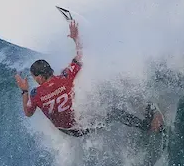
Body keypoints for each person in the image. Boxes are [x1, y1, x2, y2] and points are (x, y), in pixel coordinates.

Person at [14, 19, 164, 136]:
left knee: (98, 108)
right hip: (80, 126)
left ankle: (147, 125)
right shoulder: (65, 77)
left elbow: (28, 113)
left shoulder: (35, 95)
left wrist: (24, 91)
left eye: (34, 77)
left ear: (39, 77)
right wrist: (76, 38)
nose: (34, 79)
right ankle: (148, 127)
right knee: (112, 112)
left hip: (67, 131)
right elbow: (80, 57)